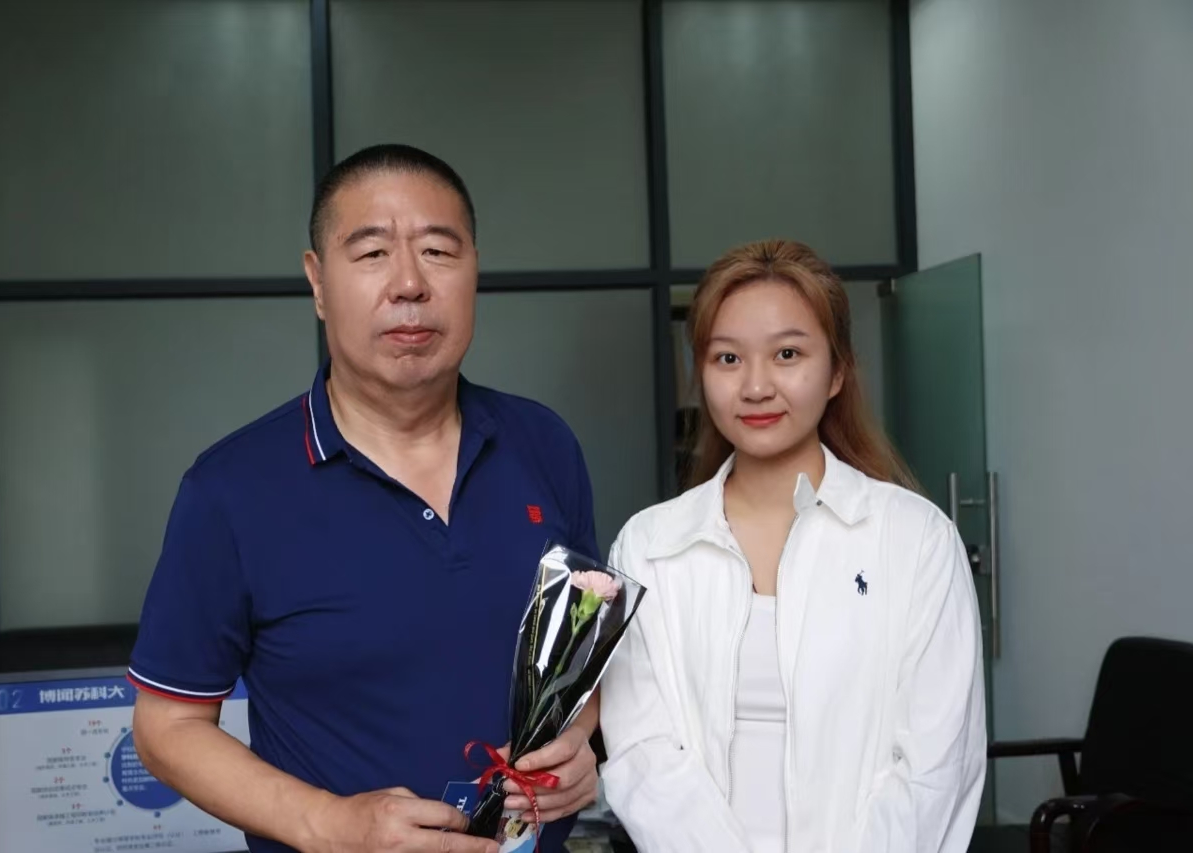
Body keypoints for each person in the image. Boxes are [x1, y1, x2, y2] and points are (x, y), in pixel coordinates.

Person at [128, 144, 602, 853]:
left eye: (438, 251)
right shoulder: (230, 489)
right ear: (318, 282)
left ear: (475, 269)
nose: (409, 283)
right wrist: (332, 824)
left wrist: (579, 742)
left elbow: (581, 648)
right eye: (373, 253)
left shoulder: (544, 444)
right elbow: (166, 727)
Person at [598, 239, 986, 852]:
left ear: (837, 372)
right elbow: (642, 752)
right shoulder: (648, 547)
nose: (756, 387)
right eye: (728, 358)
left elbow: (934, 765)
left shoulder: (915, 540)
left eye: (787, 354)